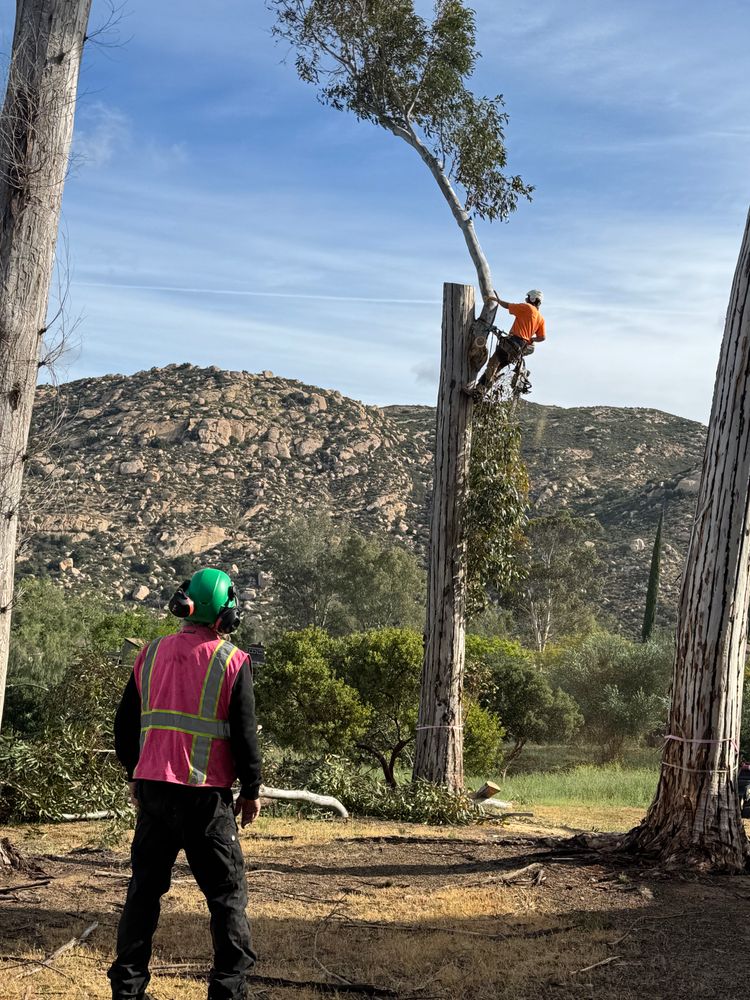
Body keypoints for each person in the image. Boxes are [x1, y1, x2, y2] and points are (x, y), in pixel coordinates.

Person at [108, 568, 262, 1000]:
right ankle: (229, 991)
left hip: (155, 792)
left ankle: (128, 990)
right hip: (205, 800)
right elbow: (245, 735)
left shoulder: (150, 654)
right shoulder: (233, 661)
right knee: (227, 897)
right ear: (223, 612)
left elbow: (124, 728)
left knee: (143, 894)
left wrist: (135, 774)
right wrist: (251, 792)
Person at [474, 288, 546, 393]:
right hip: (519, 349)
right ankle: (481, 392)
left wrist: (497, 300)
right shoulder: (541, 318)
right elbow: (542, 337)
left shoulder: (527, 307)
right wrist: (531, 339)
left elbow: (508, 306)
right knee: (496, 369)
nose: (526, 299)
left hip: (512, 342)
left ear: (533, 298)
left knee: (492, 364)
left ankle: (479, 390)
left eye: (528, 297)